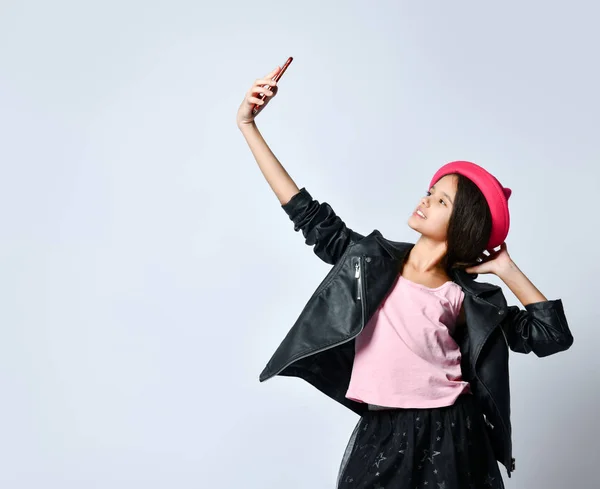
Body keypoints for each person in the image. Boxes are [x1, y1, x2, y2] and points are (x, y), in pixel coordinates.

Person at [236, 65, 574, 489]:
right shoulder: (367, 260)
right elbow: (305, 211)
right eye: (430, 192)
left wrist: (505, 267)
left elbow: (551, 335)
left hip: (452, 433)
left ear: (463, 225)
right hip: (380, 429)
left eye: (441, 200)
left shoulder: (465, 297)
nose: (425, 201)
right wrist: (248, 125)